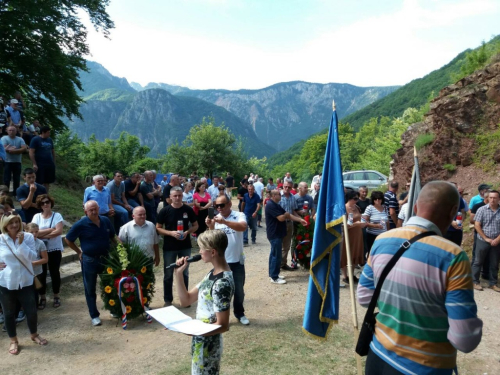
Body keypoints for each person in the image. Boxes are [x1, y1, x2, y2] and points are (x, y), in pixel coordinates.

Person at [357, 181, 482, 375]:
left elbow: (365, 297)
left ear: (415, 207)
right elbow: (464, 340)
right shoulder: (453, 256)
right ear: (453, 212)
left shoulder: (382, 240)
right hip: (424, 367)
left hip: (378, 357)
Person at [174, 230, 234, 374]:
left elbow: (223, 325)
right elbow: (186, 300)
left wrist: (194, 330)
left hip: (209, 345)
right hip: (201, 340)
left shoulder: (222, 283)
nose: (199, 251)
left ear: (212, 252)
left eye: (202, 248)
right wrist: (178, 274)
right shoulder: (211, 274)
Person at [0, 213, 48, 354]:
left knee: (31, 311)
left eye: (17, 222)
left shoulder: (27, 237)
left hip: (26, 281)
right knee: (9, 313)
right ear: (5, 225)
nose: (14, 225)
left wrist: (21, 244)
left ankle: (34, 334)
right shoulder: (1, 239)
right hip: (6, 282)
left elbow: (33, 256)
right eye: (11, 223)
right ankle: (13, 340)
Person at [65, 200, 117, 326]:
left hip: (105, 259)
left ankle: (113, 309)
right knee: (90, 289)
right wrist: (78, 251)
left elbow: (112, 237)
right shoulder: (80, 224)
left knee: (109, 285)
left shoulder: (105, 220)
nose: (94, 212)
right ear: (85, 211)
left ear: (99, 208)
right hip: (89, 260)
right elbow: (68, 239)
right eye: (90, 210)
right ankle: (94, 315)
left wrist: (120, 251)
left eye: (95, 209)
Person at [206, 194, 249, 325]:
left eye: (222, 205)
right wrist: (210, 226)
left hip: (236, 260)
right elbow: (211, 239)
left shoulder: (238, 215)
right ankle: (218, 316)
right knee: (218, 290)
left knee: (239, 290)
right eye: (216, 206)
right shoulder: (215, 219)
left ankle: (239, 313)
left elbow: (242, 227)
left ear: (229, 204)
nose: (219, 208)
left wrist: (224, 222)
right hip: (221, 261)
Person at [156, 186, 199, 306]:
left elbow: (196, 225)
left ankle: (185, 298)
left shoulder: (188, 210)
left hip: (185, 245)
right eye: (175, 196)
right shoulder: (165, 211)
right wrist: (170, 233)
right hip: (169, 246)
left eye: (179, 195)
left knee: (184, 272)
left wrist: (187, 232)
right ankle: (168, 300)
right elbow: (158, 228)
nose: (177, 198)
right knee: (168, 273)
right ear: (170, 197)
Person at [266, 190, 306, 284]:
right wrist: (286, 215)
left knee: (274, 254)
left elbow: (289, 215)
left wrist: (300, 220)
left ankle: (273, 274)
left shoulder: (276, 205)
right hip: (274, 233)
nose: (281, 196)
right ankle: (274, 277)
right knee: (276, 255)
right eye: (279, 194)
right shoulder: (270, 205)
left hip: (277, 233)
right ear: (274, 195)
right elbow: (281, 218)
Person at [31, 194, 64, 309]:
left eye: (47, 202)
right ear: (40, 205)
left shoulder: (57, 215)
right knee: (41, 274)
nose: (45, 204)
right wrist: (50, 230)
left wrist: (42, 233)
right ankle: (43, 297)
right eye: (43, 203)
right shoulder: (36, 217)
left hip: (54, 248)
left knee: (55, 272)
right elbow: (34, 233)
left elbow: (59, 231)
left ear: (51, 203)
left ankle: (56, 295)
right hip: (40, 249)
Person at [473, 189, 500, 292]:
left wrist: (497, 239)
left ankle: (493, 283)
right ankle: (475, 281)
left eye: (495, 198)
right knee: (478, 261)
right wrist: (485, 238)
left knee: (494, 263)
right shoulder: (481, 210)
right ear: (488, 198)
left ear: (499, 199)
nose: (492, 200)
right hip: (483, 240)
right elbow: (477, 225)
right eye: (491, 197)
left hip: (496, 241)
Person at [341, 191, 366, 282]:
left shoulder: (357, 207)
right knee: (346, 254)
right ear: (349, 198)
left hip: (357, 234)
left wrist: (363, 223)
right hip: (348, 234)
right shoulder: (344, 208)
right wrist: (356, 224)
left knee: (355, 254)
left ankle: (351, 275)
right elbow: (344, 225)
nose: (357, 200)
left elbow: (360, 219)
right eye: (355, 198)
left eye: (357, 198)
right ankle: (345, 276)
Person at [279, 181, 301, 270]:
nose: (287, 188)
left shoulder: (292, 197)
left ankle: (283, 264)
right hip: (280, 223)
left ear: (292, 188)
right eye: (285, 186)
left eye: (289, 187)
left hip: (289, 223)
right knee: (278, 245)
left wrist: (301, 219)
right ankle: (277, 265)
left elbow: (294, 211)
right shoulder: (278, 196)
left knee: (287, 245)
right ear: (283, 186)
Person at [25, 223, 48, 309]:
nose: (34, 234)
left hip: (36, 272)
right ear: (26, 232)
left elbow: (45, 259)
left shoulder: (40, 243)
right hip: (25, 272)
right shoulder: (21, 242)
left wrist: (34, 263)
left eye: (36, 232)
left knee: (34, 291)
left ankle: (34, 309)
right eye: (31, 232)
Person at [470, 191, 490, 280]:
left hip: (492, 235)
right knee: (477, 255)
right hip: (479, 233)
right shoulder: (478, 206)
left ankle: (486, 274)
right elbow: (471, 220)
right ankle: (473, 276)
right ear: (486, 198)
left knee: (490, 255)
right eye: (491, 197)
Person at [28, 126, 56, 192]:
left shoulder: (50, 140)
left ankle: (46, 195)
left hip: (49, 164)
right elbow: (31, 152)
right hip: (40, 164)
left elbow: (53, 151)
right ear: (43, 132)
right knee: (39, 181)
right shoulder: (35, 139)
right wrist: (34, 163)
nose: (49, 134)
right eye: (48, 132)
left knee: (47, 181)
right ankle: (37, 195)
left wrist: (54, 162)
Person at [1, 125, 27, 193]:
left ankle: (16, 193)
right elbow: (5, 149)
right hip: (7, 161)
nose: (11, 132)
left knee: (17, 178)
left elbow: (24, 148)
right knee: (7, 178)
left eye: (13, 130)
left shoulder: (20, 139)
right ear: (7, 131)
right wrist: (18, 150)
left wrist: (13, 150)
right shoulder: (4, 138)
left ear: (16, 131)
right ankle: (5, 193)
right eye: (10, 130)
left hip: (17, 161)